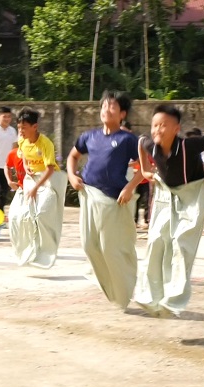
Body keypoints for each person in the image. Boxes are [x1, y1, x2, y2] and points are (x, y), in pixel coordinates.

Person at [133, 105, 204, 318]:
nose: (158, 130)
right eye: (155, 125)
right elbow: (140, 141)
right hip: (166, 193)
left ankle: (173, 300)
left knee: (181, 243)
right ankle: (149, 296)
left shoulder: (189, 145)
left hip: (192, 193)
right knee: (156, 240)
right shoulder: (151, 144)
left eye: (164, 125)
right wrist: (145, 169)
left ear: (176, 128)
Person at [67, 90, 143, 310]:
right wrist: (72, 175)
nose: (105, 110)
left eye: (111, 107)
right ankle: (111, 288)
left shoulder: (128, 139)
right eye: (103, 106)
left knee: (111, 248)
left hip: (113, 200)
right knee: (89, 245)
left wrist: (130, 187)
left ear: (122, 114)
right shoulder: (89, 136)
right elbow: (73, 156)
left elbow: (146, 166)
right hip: (89, 195)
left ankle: (123, 291)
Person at [8, 108, 67, 269]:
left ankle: (47, 252)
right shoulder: (22, 141)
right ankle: (29, 251)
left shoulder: (46, 143)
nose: (21, 131)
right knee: (21, 217)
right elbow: (24, 156)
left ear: (35, 126)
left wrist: (35, 189)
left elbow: (49, 169)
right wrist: (26, 167)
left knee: (42, 214)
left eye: (24, 128)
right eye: (19, 128)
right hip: (31, 180)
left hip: (49, 181)